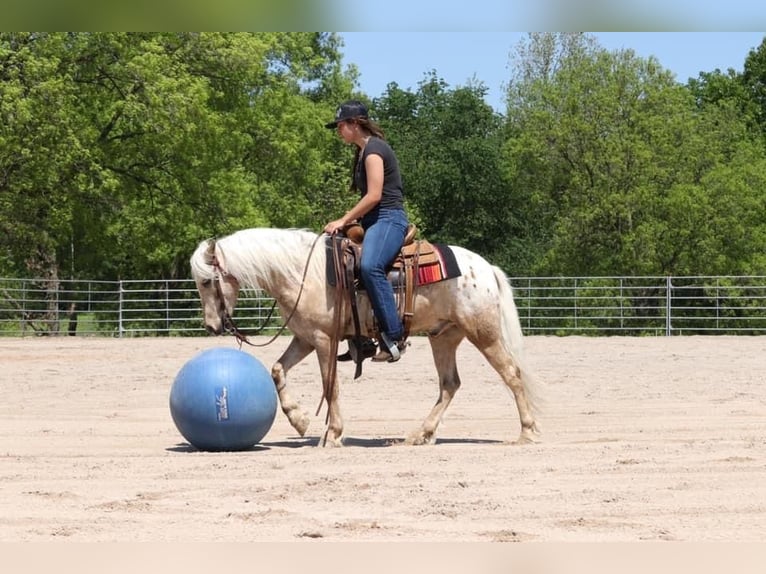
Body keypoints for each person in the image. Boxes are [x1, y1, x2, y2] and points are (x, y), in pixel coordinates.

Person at [323, 100, 409, 363]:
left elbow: (374, 196)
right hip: (374, 221)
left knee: (371, 266)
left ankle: (394, 337)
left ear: (355, 124)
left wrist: (343, 219)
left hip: (389, 218)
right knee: (341, 264)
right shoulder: (362, 152)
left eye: (341, 126)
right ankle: (359, 339)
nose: (339, 131)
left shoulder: (373, 151)